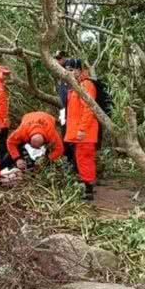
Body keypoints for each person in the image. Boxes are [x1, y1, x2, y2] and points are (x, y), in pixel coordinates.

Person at [64, 58, 99, 201]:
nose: (69, 72)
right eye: (67, 70)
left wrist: (82, 129)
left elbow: (88, 109)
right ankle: (87, 186)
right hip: (80, 132)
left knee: (85, 159)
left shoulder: (86, 85)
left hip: (85, 132)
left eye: (71, 70)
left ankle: (88, 190)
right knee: (82, 159)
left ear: (79, 70)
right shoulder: (76, 86)